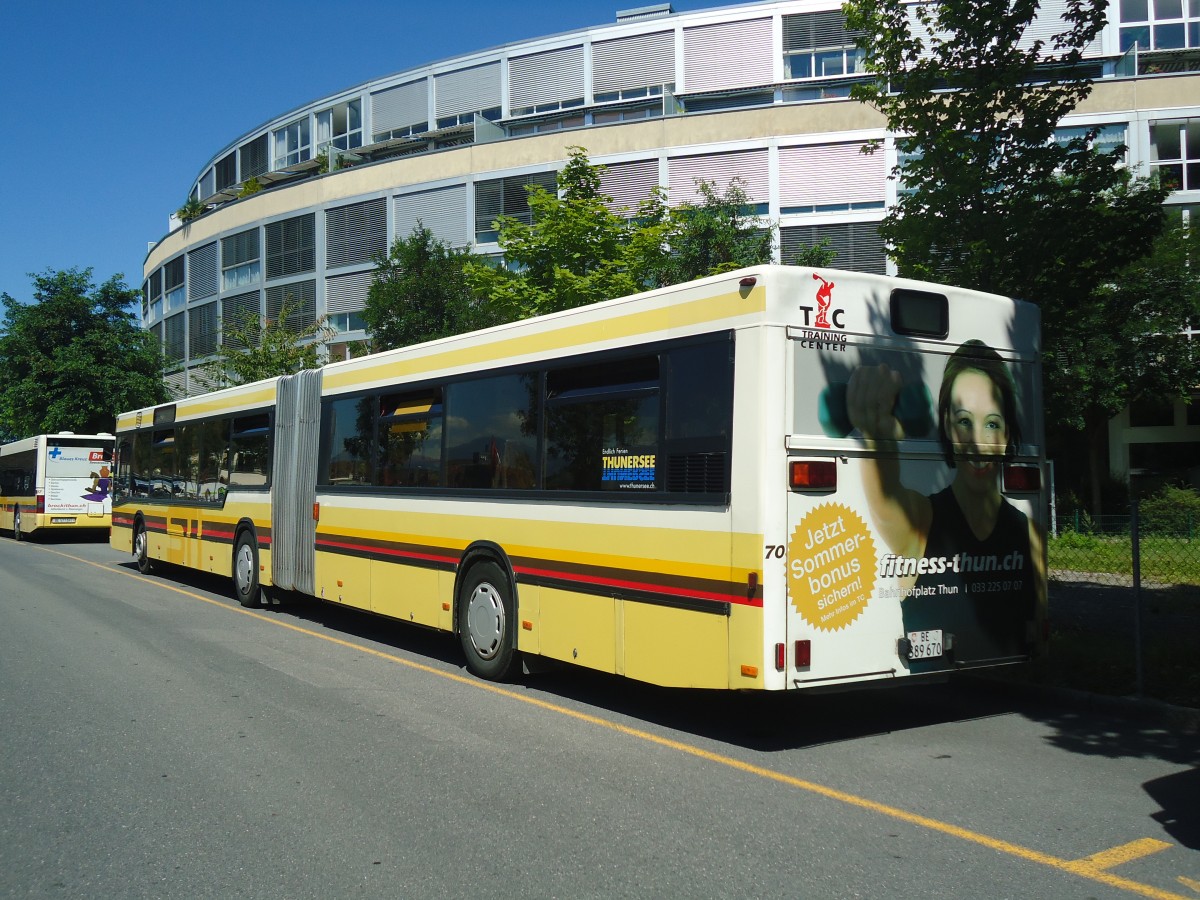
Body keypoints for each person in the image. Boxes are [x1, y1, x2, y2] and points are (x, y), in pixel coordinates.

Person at [847, 339, 1044, 666]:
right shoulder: (921, 520)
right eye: (964, 421)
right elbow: (885, 498)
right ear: (947, 426)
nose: (977, 443)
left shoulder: (1030, 534)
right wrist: (875, 437)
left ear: (1008, 434)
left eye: (992, 424)